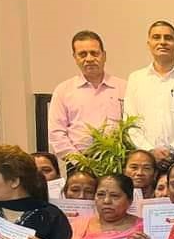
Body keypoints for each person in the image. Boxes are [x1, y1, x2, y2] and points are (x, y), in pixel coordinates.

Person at [124, 20, 174, 168]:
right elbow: (130, 123)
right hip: (145, 159)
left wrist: (173, 149)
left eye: (168, 38)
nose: (162, 42)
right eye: (156, 37)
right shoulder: (136, 78)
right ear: (149, 44)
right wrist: (150, 151)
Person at [48, 30, 126, 158]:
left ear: (104, 56)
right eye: (82, 54)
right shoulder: (63, 91)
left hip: (117, 160)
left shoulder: (123, 88)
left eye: (94, 53)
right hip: (78, 162)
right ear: (75, 58)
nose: (89, 59)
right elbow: (56, 133)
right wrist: (80, 161)